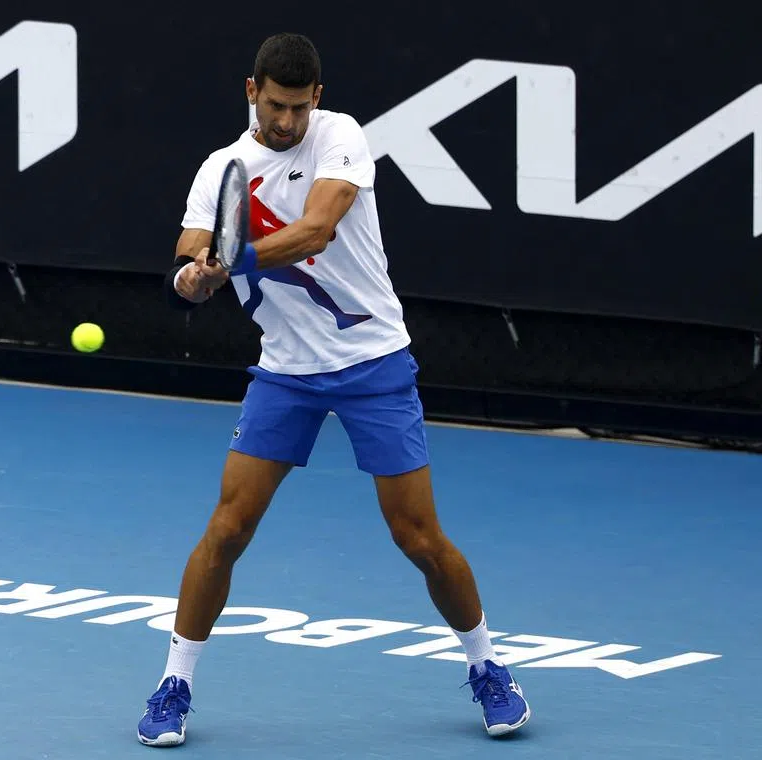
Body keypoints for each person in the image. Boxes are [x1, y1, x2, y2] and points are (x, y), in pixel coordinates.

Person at [138, 32, 531, 748]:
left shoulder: (340, 138)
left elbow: (316, 230)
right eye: (274, 104)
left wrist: (233, 258)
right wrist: (193, 278)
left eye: (298, 106)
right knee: (226, 530)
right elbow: (184, 265)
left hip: (372, 364)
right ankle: (174, 685)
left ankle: (488, 667)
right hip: (285, 372)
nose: (285, 121)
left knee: (417, 537)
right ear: (250, 89)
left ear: (315, 98)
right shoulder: (220, 169)